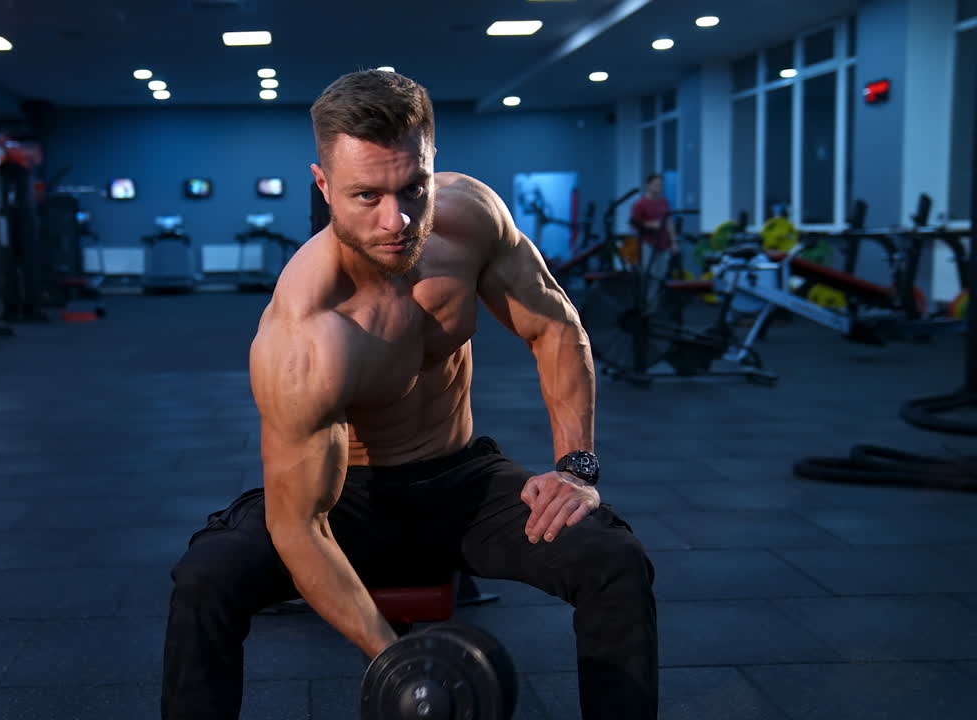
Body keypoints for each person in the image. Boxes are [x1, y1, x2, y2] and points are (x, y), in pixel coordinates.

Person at [162, 70, 658, 720]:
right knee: (206, 581)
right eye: (366, 195)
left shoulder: (472, 220)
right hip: (346, 501)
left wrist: (575, 468)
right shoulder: (309, 334)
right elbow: (300, 525)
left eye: (412, 189)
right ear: (324, 185)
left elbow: (556, 327)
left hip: (464, 481)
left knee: (614, 561)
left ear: (432, 166)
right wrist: (395, 656)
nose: (396, 221)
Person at [629, 173, 680, 286]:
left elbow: (669, 222)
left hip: (663, 243)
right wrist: (650, 225)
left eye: (661, 185)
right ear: (649, 185)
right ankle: (648, 301)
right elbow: (634, 225)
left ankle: (656, 302)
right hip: (648, 243)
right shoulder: (640, 204)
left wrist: (673, 242)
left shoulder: (664, 202)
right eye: (656, 184)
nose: (659, 187)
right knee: (649, 274)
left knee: (660, 275)